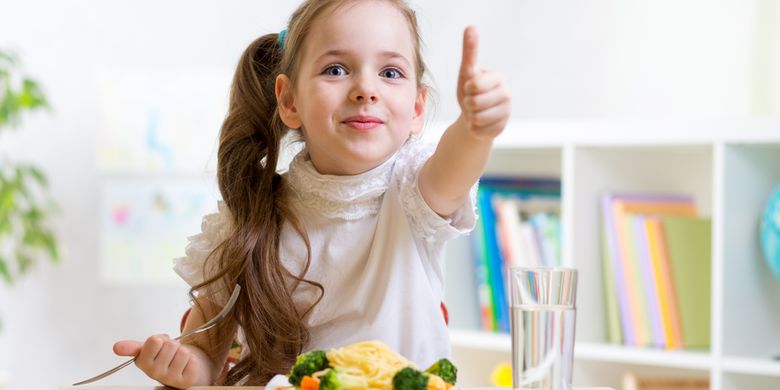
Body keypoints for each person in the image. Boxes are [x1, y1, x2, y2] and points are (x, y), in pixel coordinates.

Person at [112, 0, 511, 387]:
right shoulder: (251, 213)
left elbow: (454, 167)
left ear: (417, 108)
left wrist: (476, 129)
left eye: (390, 73)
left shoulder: (415, 191)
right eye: (336, 69)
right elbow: (204, 359)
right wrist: (184, 364)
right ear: (289, 100)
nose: (366, 89)